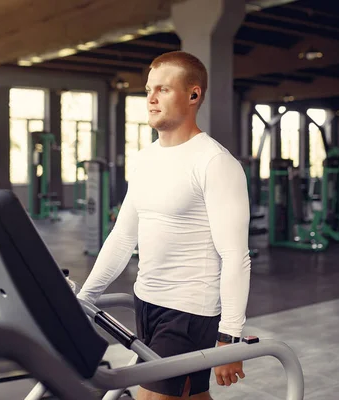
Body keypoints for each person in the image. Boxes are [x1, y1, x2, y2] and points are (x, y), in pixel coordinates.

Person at [76, 51, 251, 400]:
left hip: (189, 310)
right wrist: (85, 296)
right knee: (191, 396)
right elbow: (123, 236)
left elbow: (235, 256)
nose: (151, 99)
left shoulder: (215, 162)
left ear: (193, 95)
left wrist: (230, 335)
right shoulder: (146, 158)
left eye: (163, 90)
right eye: (147, 90)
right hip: (147, 301)